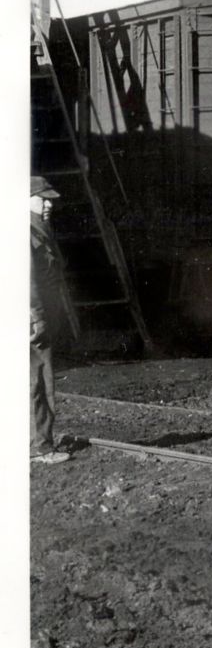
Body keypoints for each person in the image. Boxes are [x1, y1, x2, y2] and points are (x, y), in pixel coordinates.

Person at [30, 177, 72, 462]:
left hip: (37, 316)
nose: (49, 204)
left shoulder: (39, 230)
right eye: (42, 198)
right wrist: (37, 318)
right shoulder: (26, 232)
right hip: (32, 318)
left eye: (51, 200)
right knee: (37, 381)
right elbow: (27, 282)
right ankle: (40, 448)